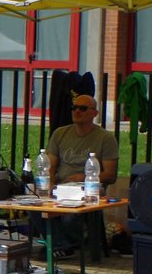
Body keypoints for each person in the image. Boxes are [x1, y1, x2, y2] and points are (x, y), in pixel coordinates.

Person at [45, 92, 119, 260]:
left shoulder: (105, 138)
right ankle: (62, 245)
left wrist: (82, 177)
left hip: (89, 187)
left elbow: (110, 174)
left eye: (83, 108)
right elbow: (50, 166)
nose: (77, 111)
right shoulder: (60, 133)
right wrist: (49, 185)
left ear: (94, 113)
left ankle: (64, 244)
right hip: (60, 186)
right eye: (74, 108)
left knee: (70, 216)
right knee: (35, 210)